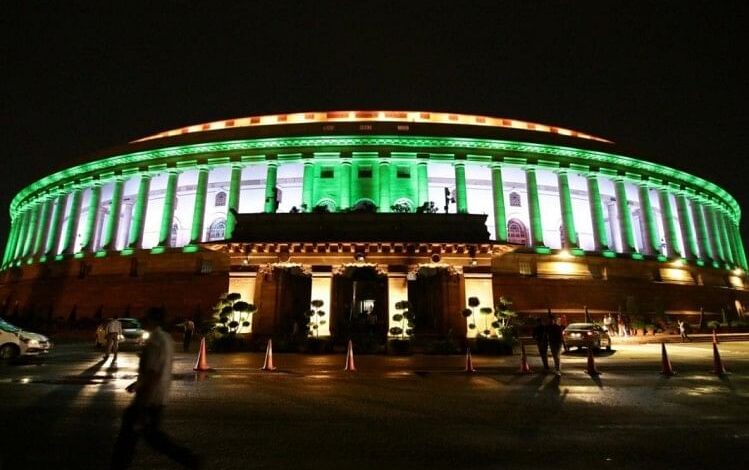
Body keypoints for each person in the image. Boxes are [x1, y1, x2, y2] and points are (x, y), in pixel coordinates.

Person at [111, 307, 202, 470]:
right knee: (147, 437)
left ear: (153, 320)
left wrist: (140, 403)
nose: (143, 320)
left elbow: (153, 374)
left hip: (148, 399)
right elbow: (159, 369)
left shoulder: (154, 341)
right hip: (159, 397)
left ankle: (190, 460)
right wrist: (137, 383)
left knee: (138, 438)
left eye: (146, 318)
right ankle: (190, 459)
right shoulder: (166, 339)